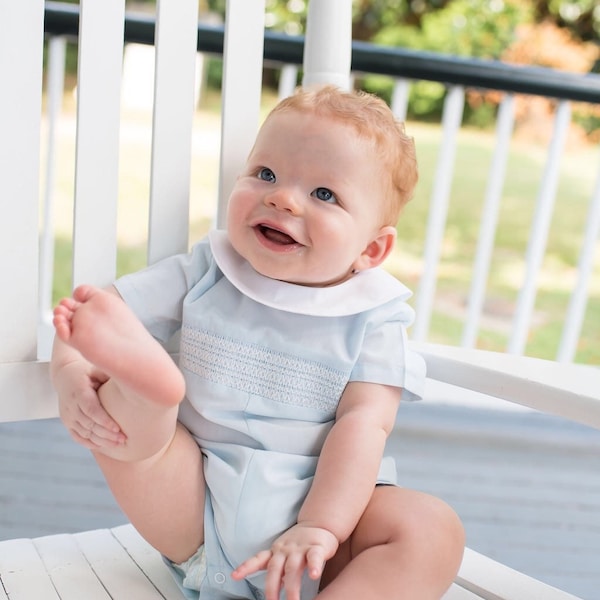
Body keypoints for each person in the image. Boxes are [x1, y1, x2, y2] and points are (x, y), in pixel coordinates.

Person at [51, 85, 465, 600]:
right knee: (126, 408)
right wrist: (70, 373)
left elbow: (364, 426)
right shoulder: (208, 270)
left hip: (324, 538)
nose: (282, 197)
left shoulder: (373, 319)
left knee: (432, 527)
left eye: (324, 194)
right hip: (191, 506)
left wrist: (321, 526)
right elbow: (92, 316)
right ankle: (149, 388)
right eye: (265, 174)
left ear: (372, 249)